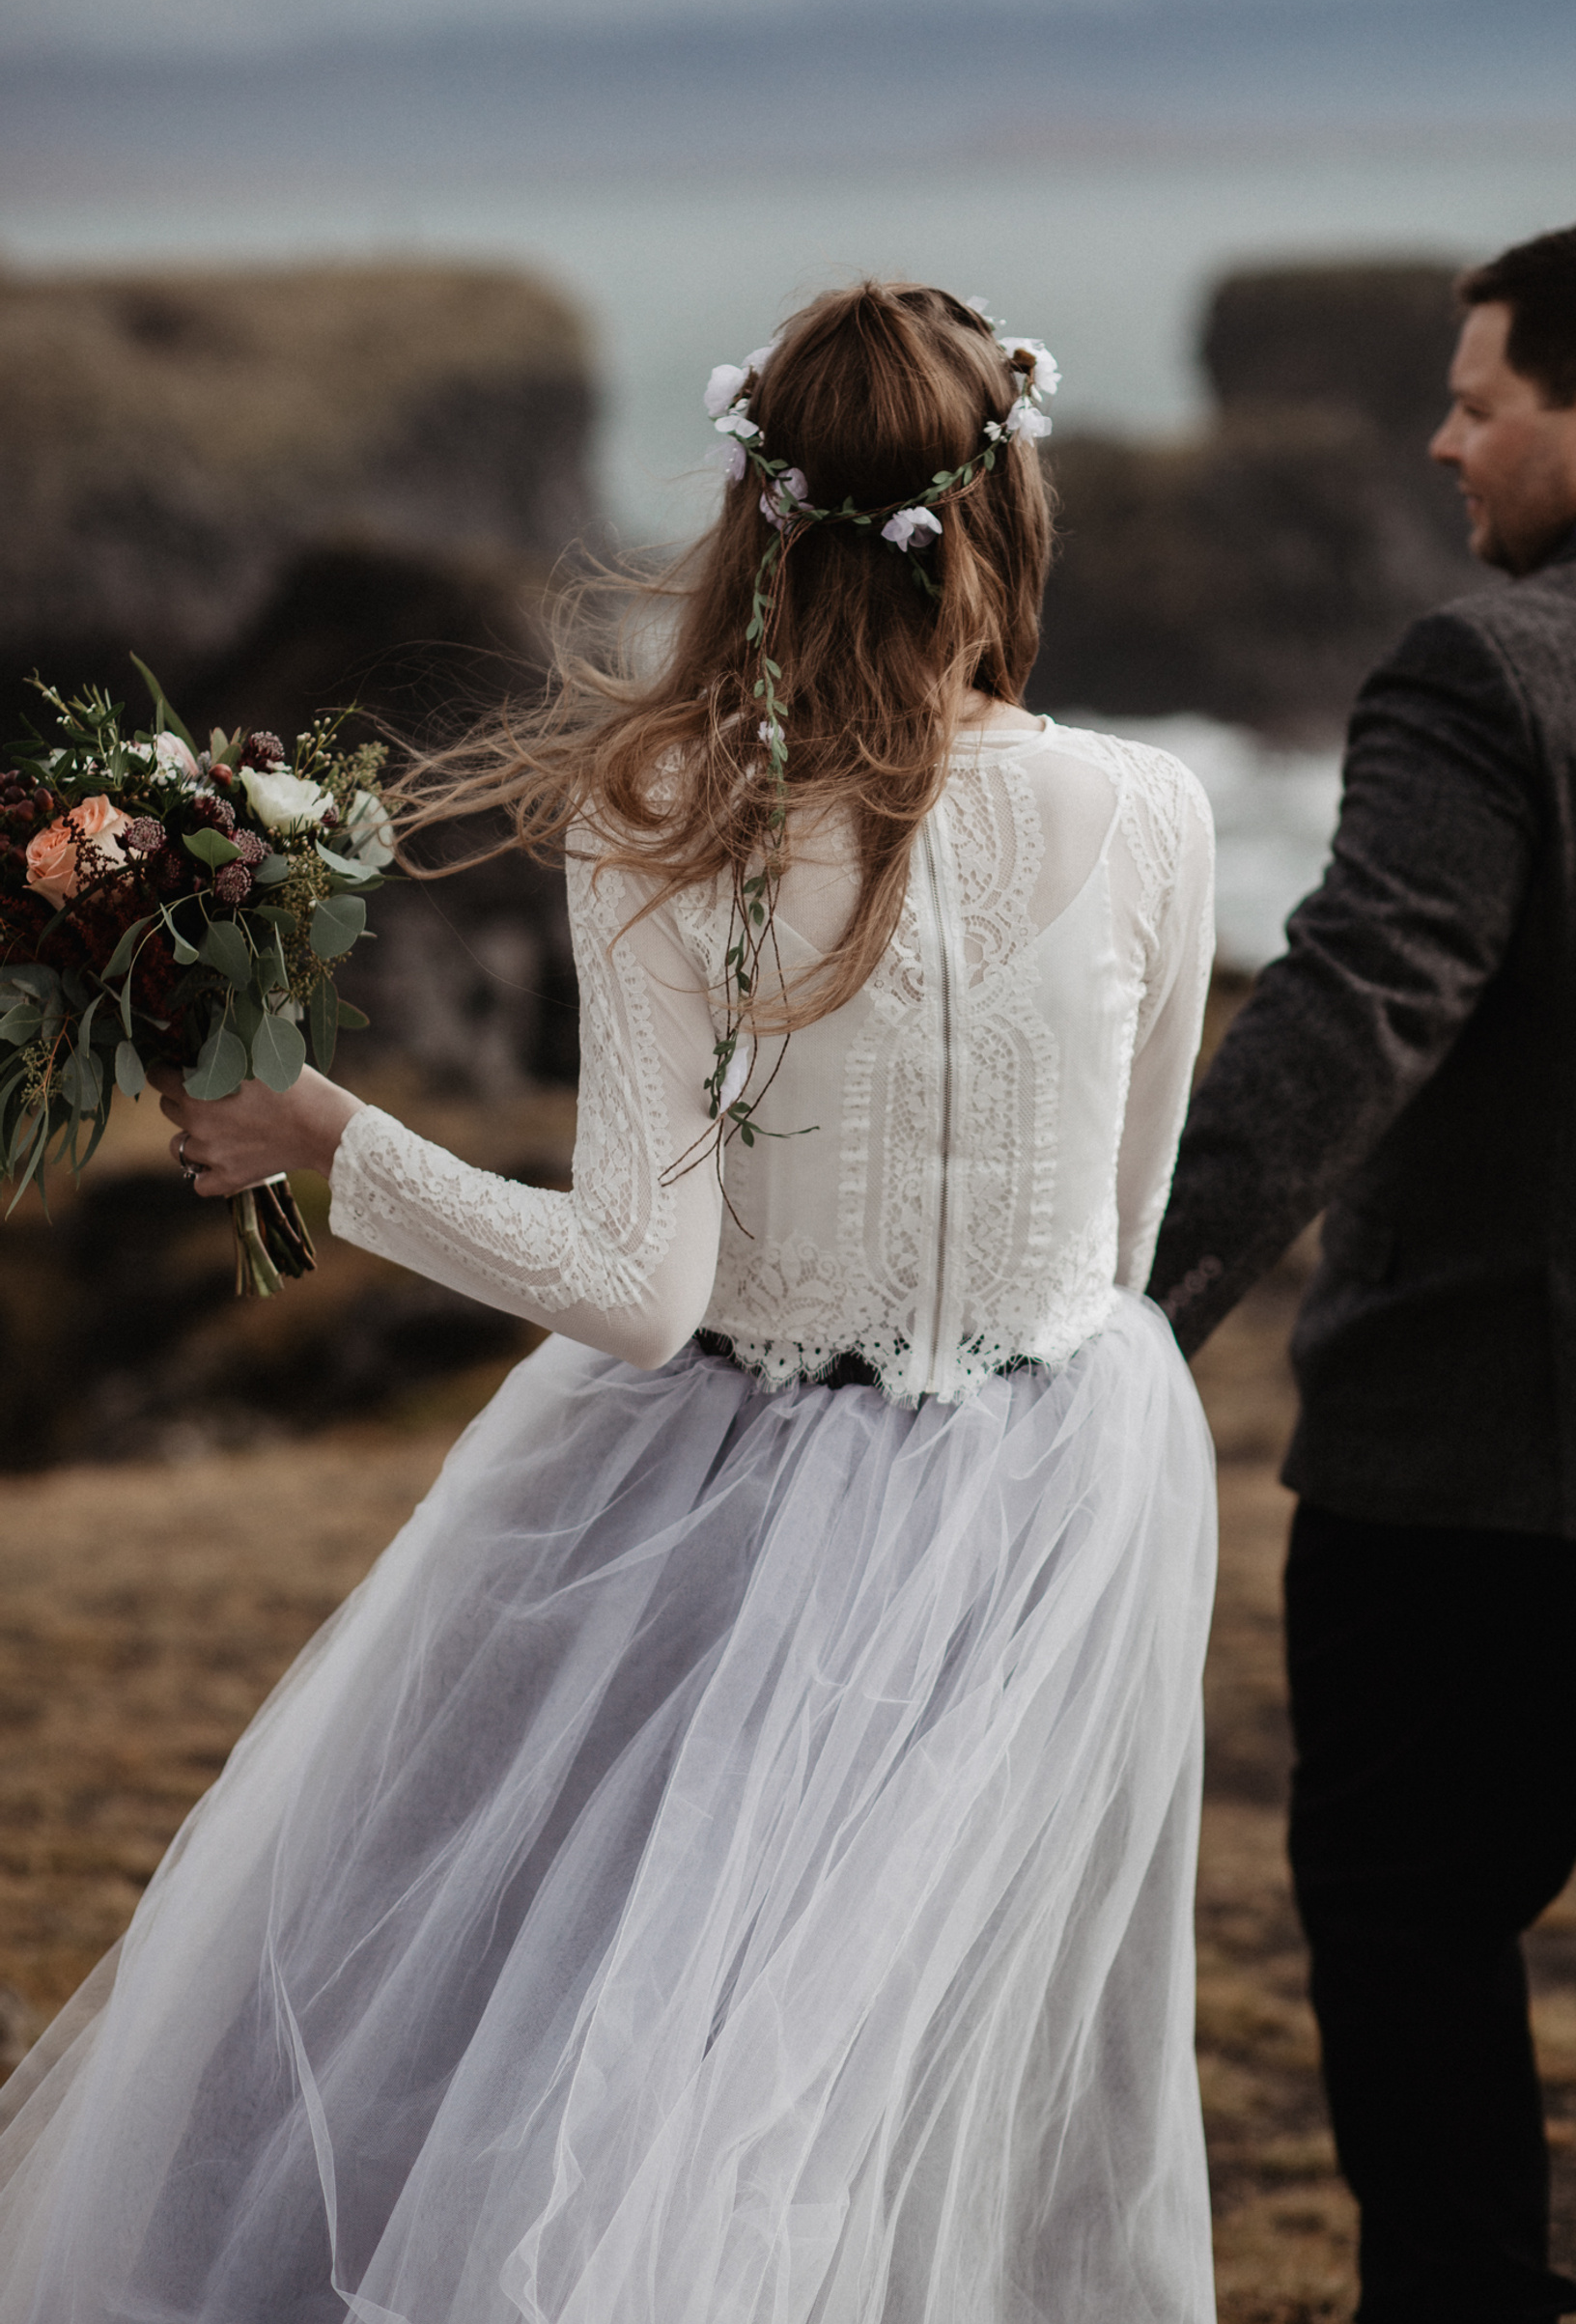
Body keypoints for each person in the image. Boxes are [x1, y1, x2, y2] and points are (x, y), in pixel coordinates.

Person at [0, 282, 1219, 2324]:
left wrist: (326, 1133)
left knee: (626, 2061)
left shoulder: (673, 814)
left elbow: (638, 1297)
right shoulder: (1161, 812)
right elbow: (1122, 1231)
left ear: (751, 519)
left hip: (722, 1531)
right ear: (1011, 512)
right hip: (1054, 1509)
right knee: (910, 2060)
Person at [1149, 215, 1576, 2324]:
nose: (1444, 447)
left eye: (1477, 407)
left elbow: (1351, 1012)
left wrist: (1118, 1315)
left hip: (1481, 1479)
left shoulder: (1492, 672)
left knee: (1406, 1932)